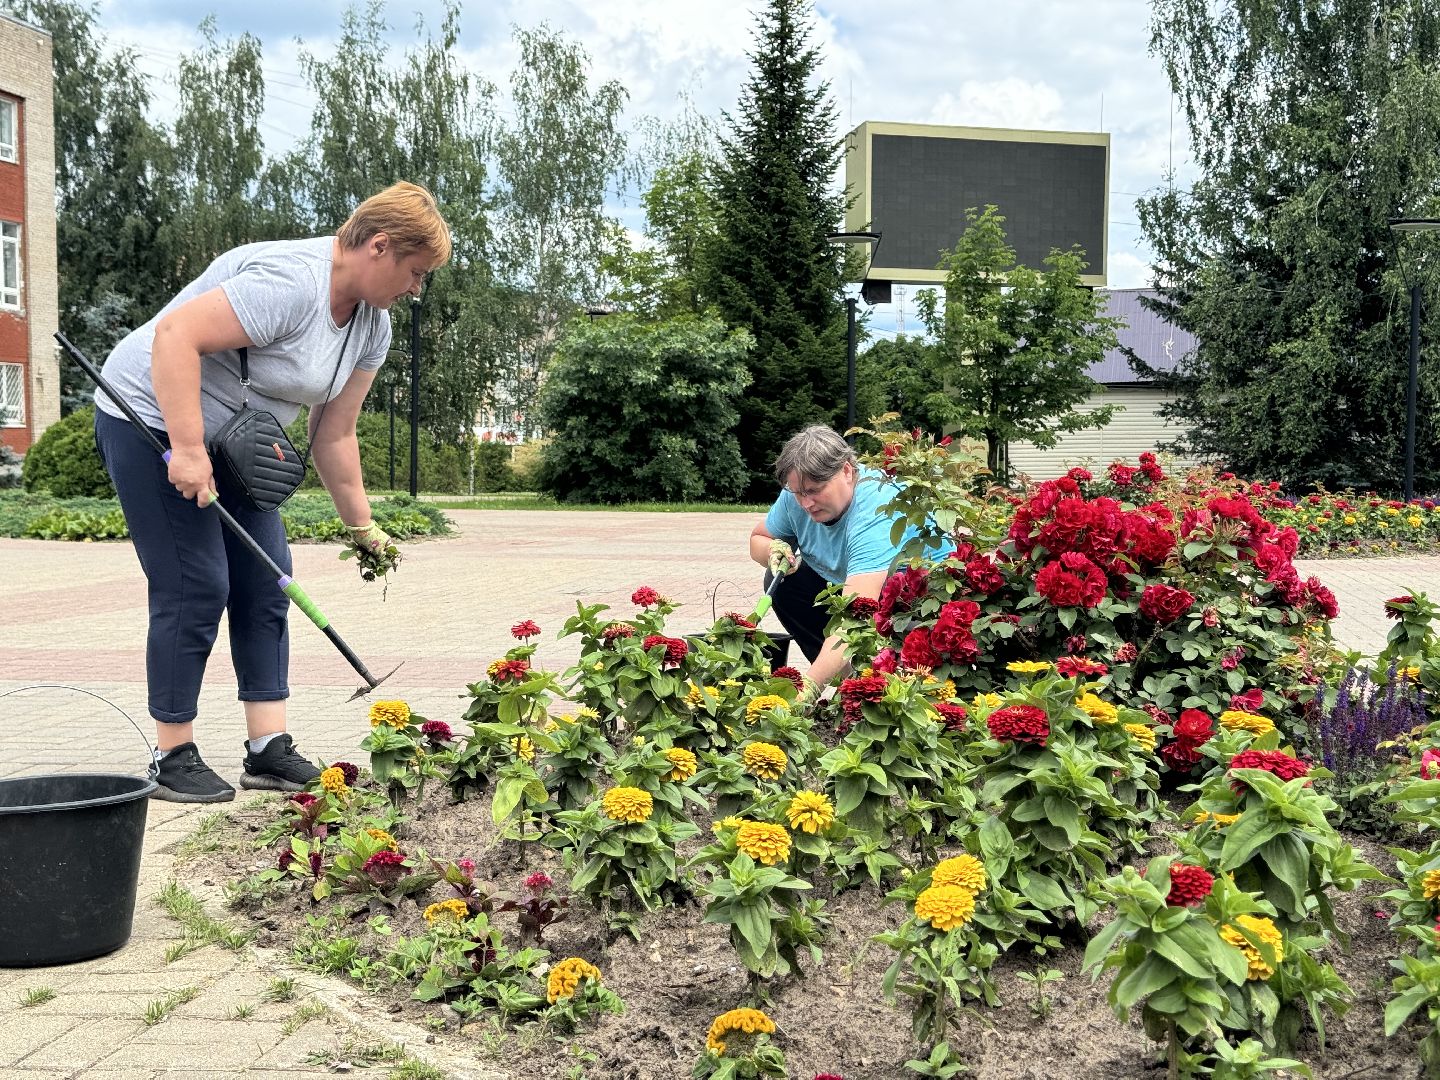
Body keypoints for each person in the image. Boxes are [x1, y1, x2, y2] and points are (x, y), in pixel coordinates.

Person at [93, 181, 452, 803]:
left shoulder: (372, 326)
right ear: (379, 246)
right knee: (196, 581)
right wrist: (185, 449)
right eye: (415, 273)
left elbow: (334, 431)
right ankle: (172, 752)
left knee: (268, 578)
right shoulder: (290, 283)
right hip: (151, 417)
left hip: (237, 440)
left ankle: (268, 749)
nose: (415, 289)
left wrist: (361, 526)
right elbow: (174, 336)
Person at [748, 425, 929, 690]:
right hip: (847, 585)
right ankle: (848, 683)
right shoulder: (795, 495)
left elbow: (854, 617)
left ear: (846, 471)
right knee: (782, 581)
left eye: (814, 490)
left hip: (915, 598)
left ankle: (880, 686)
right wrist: (772, 550)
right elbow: (758, 539)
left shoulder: (875, 509)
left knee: (864, 637)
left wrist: (805, 692)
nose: (806, 503)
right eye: (798, 492)